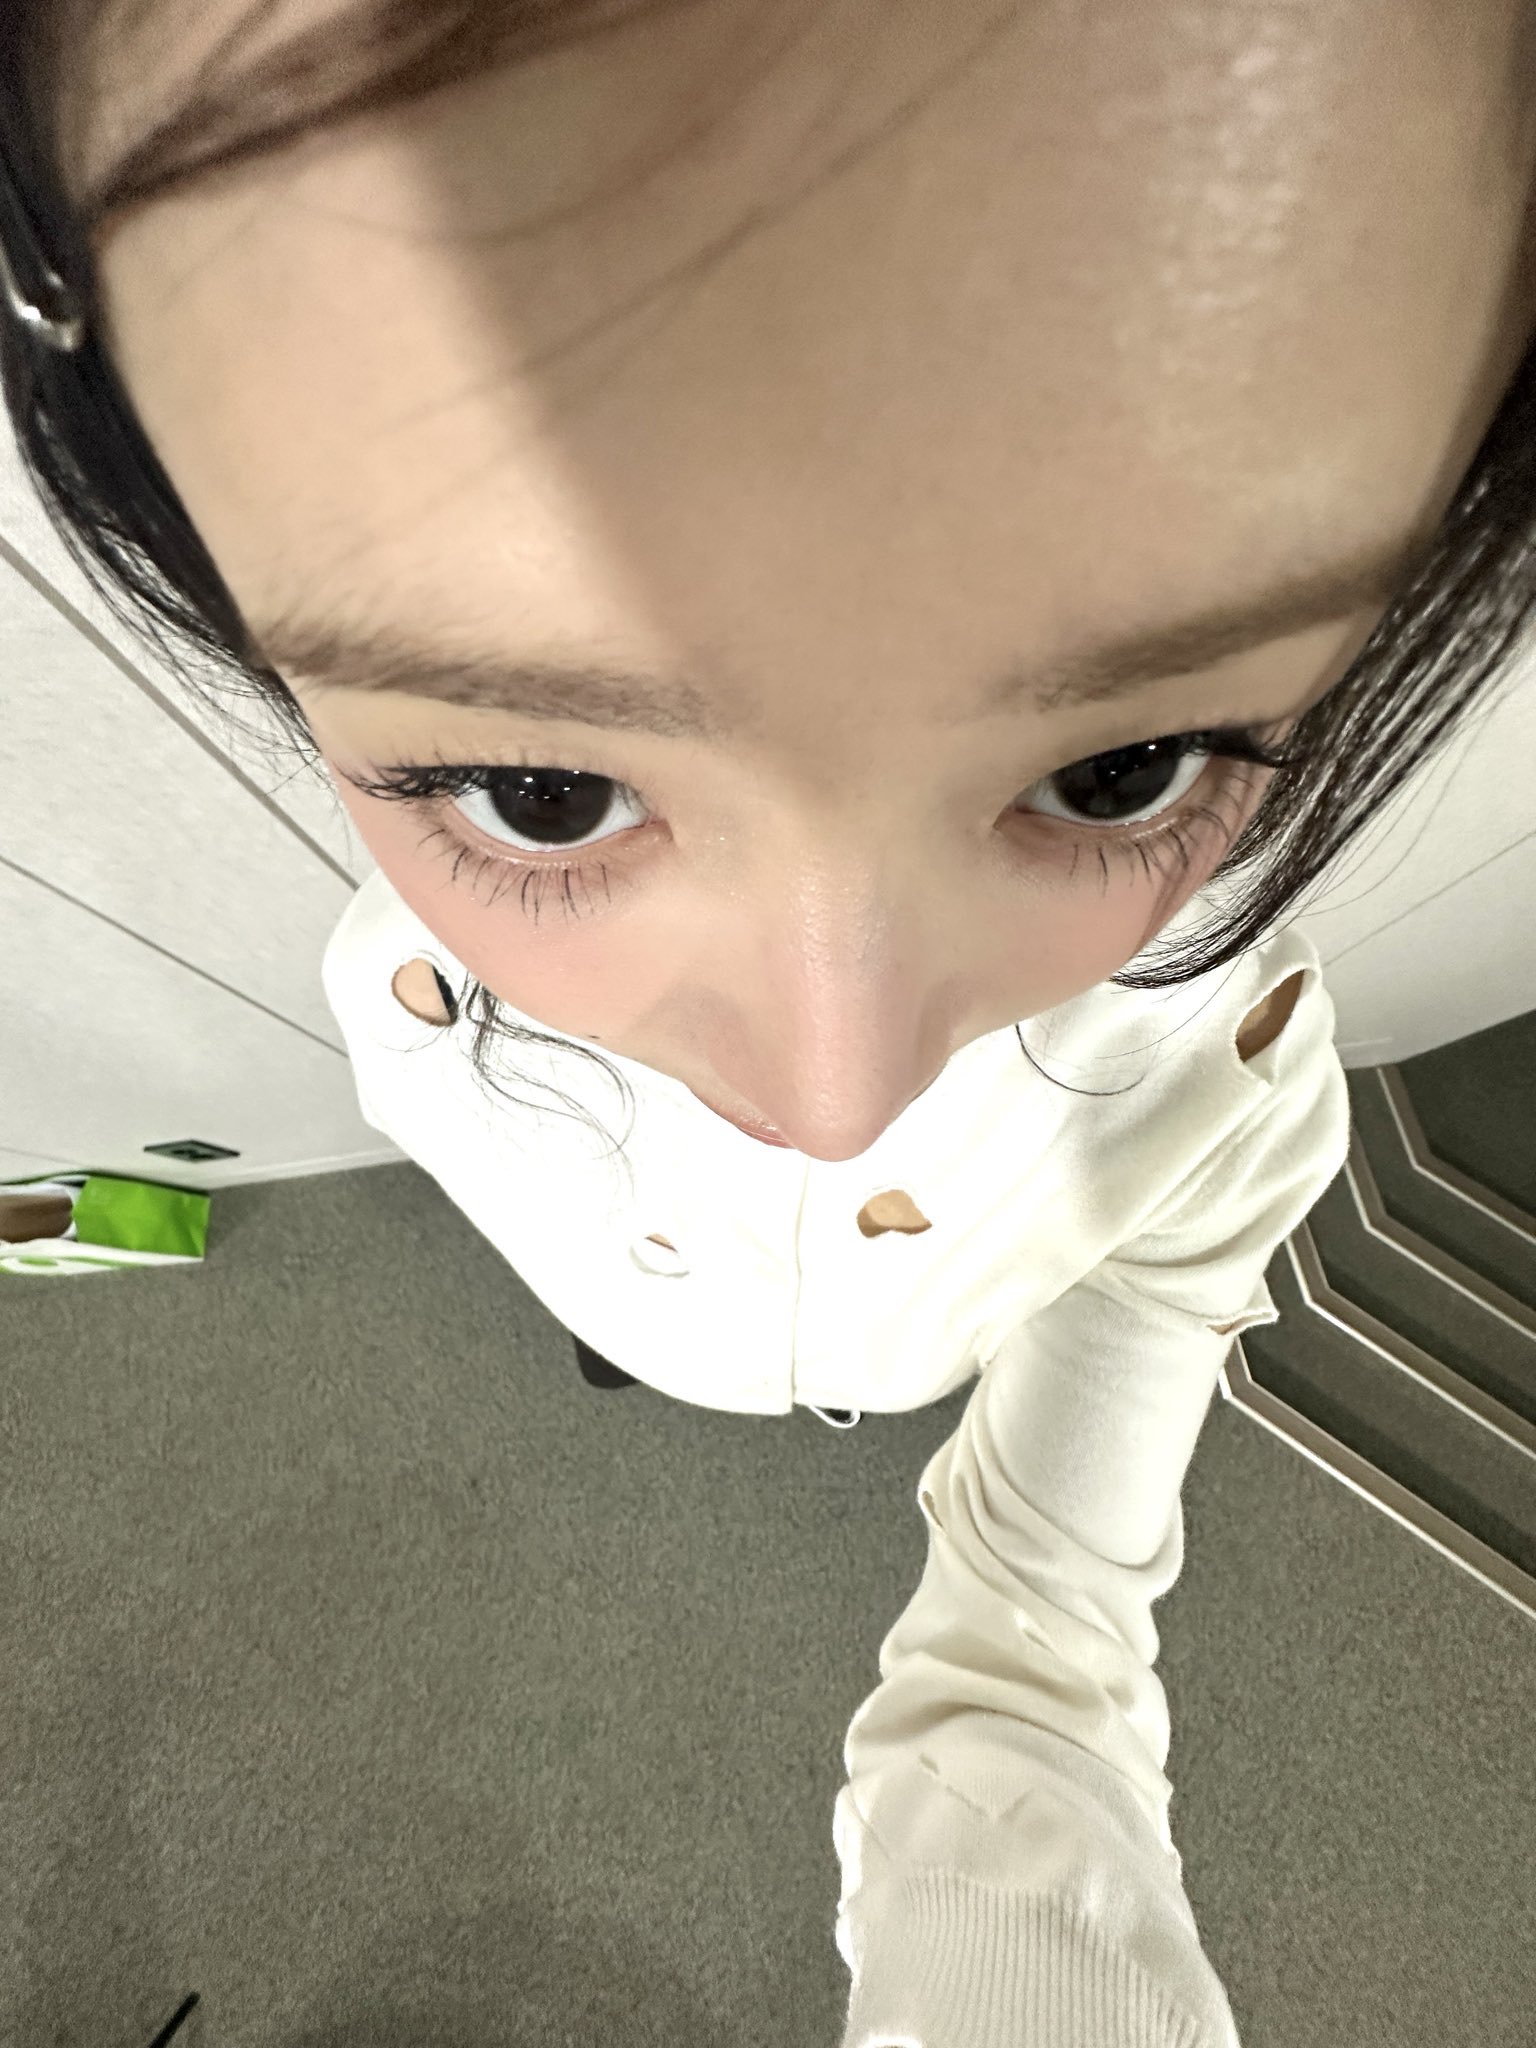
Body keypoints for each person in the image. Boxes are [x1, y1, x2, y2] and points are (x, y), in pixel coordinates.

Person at [4, 1, 1533, 2041]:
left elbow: (1185, 1252)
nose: (836, 1093)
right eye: (540, 792)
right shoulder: (406, 988)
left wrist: (1054, 1580)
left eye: (1123, 767)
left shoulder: (1228, 1042)